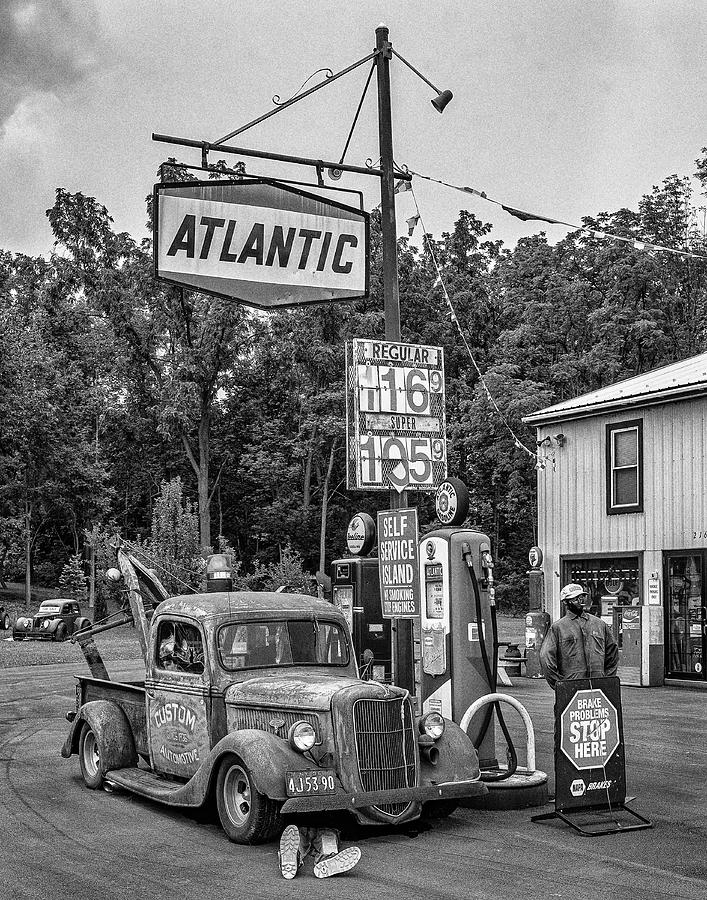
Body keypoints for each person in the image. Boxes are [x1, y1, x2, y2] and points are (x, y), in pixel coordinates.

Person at [540, 583, 619, 690]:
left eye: (581, 597)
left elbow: (612, 652)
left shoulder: (599, 624)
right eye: (575, 598)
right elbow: (546, 658)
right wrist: (560, 685)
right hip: (571, 687)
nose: (580, 600)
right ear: (565, 602)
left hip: (598, 687)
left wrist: (606, 679)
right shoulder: (558, 628)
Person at [278, 824, 361, 879]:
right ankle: (327, 858)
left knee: (298, 839)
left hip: (300, 822)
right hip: (325, 824)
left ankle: (294, 857)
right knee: (328, 839)